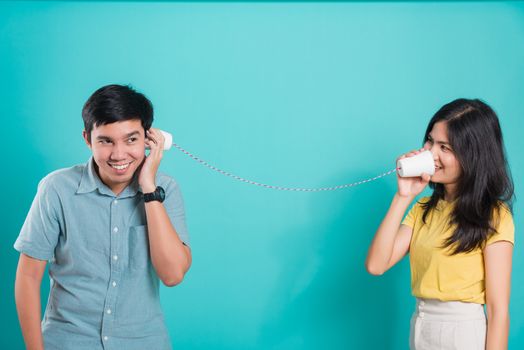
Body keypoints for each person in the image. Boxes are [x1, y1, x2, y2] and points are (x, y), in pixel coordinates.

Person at [14, 84, 192, 350]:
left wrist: (148, 189)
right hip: (67, 341)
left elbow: (173, 274)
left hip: (143, 342)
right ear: (88, 139)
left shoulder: (166, 189)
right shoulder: (56, 189)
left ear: (150, 138)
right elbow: (28, 277)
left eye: (131, 139)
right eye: (106, 141)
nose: (119, 154)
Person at [365, 99, 514, 349]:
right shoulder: (422, 210)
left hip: (463, 333)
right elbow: (376, 265)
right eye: (430, 141)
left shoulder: (494, 216)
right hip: (421, 325)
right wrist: (403, 197)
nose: (431, 153)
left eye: (445, 147)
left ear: (473, 155)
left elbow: (498, 312)